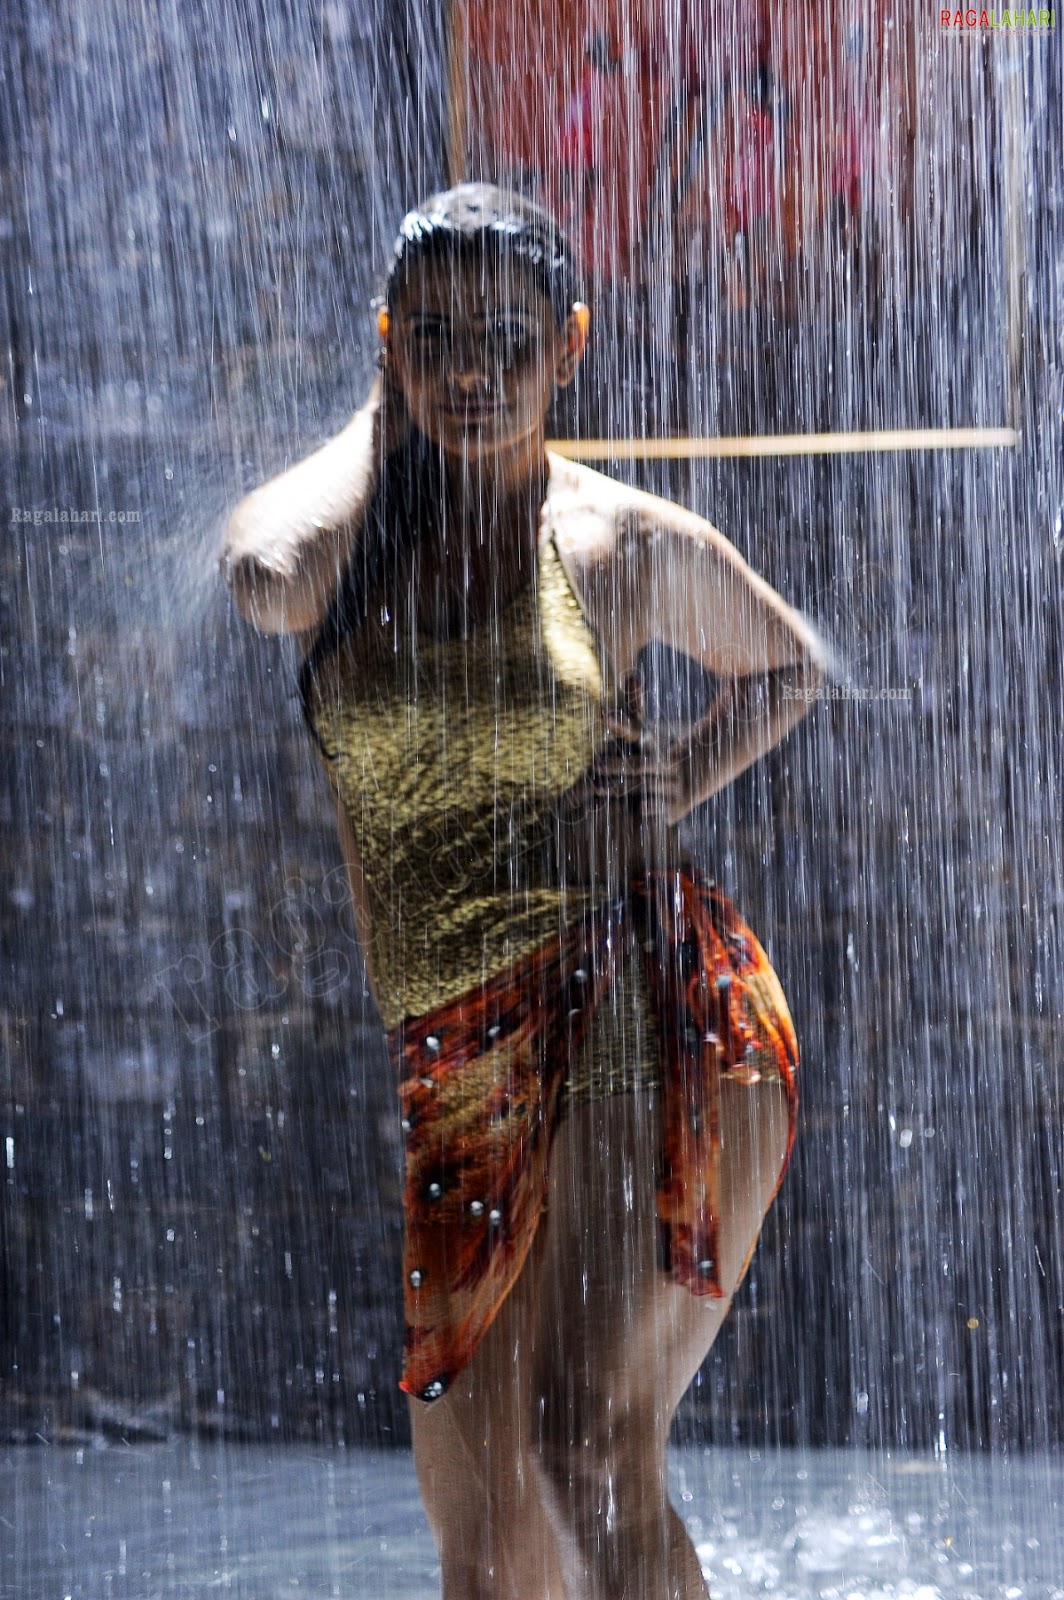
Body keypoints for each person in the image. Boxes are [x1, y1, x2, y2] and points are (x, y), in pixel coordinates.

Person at [221, 182, 828, 1600]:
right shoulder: (353, 543)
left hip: (641, 1004)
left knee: (585, 1442)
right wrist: (391, 406)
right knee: (489, 1550)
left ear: (570, 344)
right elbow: (256, 571)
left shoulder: (620, 540)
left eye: (508, 338)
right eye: (433, 337)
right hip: (460, 1060)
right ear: (388, 345)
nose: (474, 371)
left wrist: (677, 779)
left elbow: (789, 665)